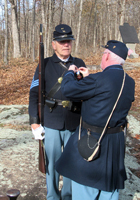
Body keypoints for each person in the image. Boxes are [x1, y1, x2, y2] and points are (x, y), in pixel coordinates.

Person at [55, 40, 135, 200]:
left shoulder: (99, 80)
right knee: (109, 191)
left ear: (107, 56)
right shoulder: (130, 82)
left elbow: (67, 89)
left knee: (85, 190)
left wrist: (70, 72)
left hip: (93, 142)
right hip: (115, 144)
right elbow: (106, 94)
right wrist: (88, 79)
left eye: (103, 53)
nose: (101, 56)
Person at [28, 24, 86, 200]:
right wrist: (34, 122)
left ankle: (68, 196)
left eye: (68, 41)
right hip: (51, 121)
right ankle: (52, 196)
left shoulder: (80, 64)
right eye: (61, 42)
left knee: (71, 164)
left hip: (74, 121)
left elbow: (87, 92)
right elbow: (34, 94)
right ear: (54, 44)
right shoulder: (44, 64)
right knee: (51, 163)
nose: (65, 44)